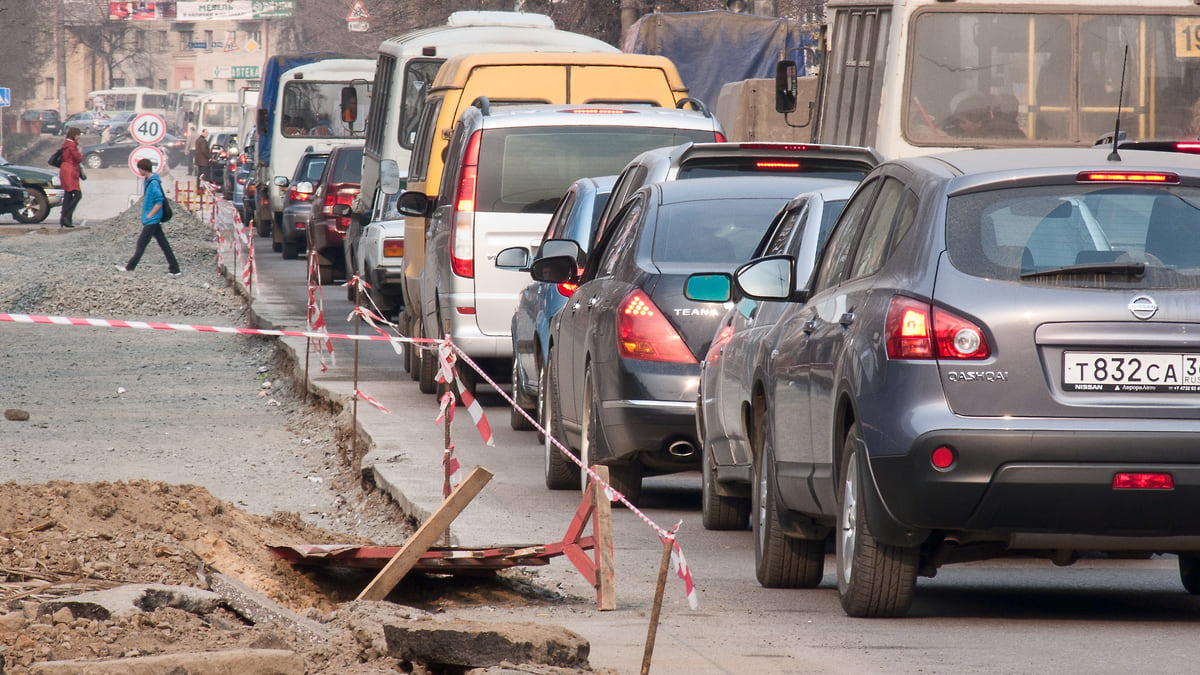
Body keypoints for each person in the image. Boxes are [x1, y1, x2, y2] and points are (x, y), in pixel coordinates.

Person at [117, 158, 180, 276]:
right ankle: (175, 269)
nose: (139, 171)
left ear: (143, 169)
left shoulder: (153, 183)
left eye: (139, 169)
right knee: (164, 244)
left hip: (152, 220)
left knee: (141, 243)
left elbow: (159, 200)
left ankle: (129, 267)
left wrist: (150, 214)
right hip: (152, 219)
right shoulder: (149, 180)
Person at [58, 127, 84, 228]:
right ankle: (66, 216)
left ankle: (65, 219)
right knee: (77, 195)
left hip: (65, 170)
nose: (79, 137)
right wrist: (80, 152)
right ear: (74, 135)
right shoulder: (71, 145)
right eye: (78, 135)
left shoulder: (66, 144)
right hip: (70, 171)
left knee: (68, 195)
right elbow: (78, 158)